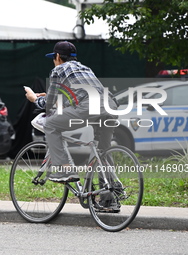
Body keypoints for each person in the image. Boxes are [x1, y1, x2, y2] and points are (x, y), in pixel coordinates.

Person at [25, 41, 118, 182]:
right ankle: (110, 194)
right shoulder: (85, 68)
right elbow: (78, 95)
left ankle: (66, 170)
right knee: (102, 150)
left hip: (89, 106)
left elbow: (48, 105)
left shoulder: (58, 70)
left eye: (53, 58)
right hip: (109, 105)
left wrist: (34, 99)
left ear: (57, 56)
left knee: (50, 125)